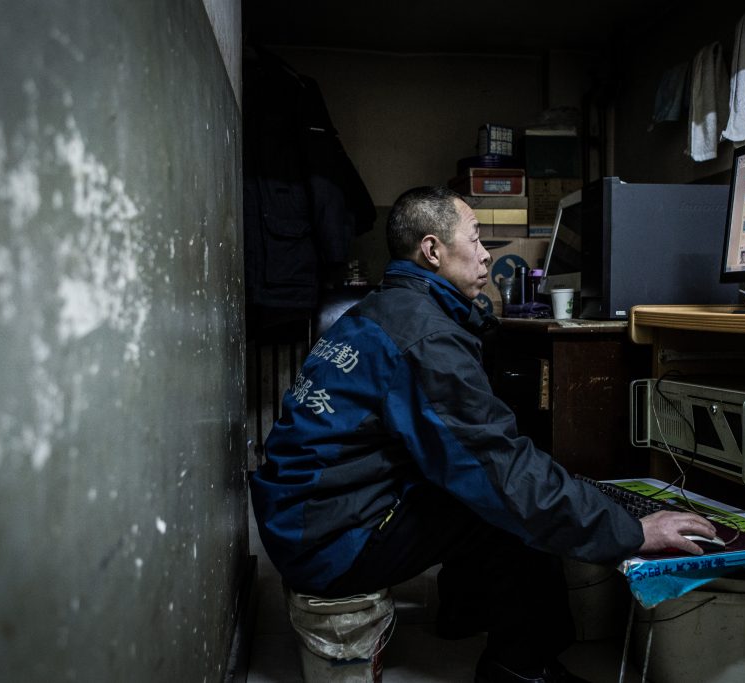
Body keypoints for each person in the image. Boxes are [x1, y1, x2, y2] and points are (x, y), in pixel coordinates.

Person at [250, 186, 717, 683]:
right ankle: (520, 670)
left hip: (303, 516)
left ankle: (463, 616)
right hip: (327, 540)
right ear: (432, 251)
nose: (486, 254)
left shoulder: (383, 310)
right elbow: (504, 473)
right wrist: (630, 531)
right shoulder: (425, 335)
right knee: (510, 503)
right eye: (474, 239)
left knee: (488, 479)